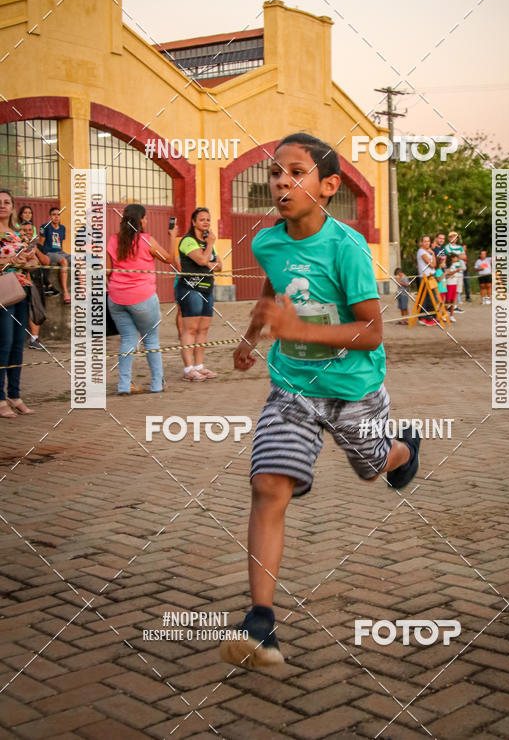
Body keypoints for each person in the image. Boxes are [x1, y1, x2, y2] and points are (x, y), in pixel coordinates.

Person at [219, 133, 421, 669]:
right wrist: (251, 338)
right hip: (293, 388)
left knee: (373, 468)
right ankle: (260, 621)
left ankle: (403, 448)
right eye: (275, 173)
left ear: (329, 186)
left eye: (296, 172)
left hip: (353, 389)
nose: (282, 183)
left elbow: (373, 331)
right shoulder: (267, 243)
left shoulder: (347, 247)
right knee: (268, 485)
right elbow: (273, 288)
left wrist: (301, 328)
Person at [107, 204, 177, 395]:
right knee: (151, 340)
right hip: (143, 298)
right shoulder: (146, 240)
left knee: (127, 340)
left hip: (116, 299)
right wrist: (172, 237)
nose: (147, 221)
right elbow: (169, 259)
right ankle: (157, 384)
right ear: (140, 220)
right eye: (145, 218)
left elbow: (107, 271)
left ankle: (124, 385)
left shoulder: (113, 240)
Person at [0, 189, 37, 416]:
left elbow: (34, 264)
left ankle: (14, 395)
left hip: (22, 290)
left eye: (7, 202)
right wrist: (9, 259)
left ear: (13, 207)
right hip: (3, 292)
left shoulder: (18, 235)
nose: (2, 205)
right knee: (3, 344)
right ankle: (0, 398)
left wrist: (26, 261)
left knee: (17, 345)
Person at [175, 207, 222, 382]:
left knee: (203, 329)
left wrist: (208, 258)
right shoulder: (188, 241)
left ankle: (199, 366)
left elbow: (220, 265)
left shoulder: (208, 242)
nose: (206, 222)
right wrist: (209, 248)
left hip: (207, 289)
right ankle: (188, 369)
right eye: (202, 219)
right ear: (194, 222)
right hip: (190, 289)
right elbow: (202, 260)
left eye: (208, 219)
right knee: (190, 329)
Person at [18, 221, 49, 350]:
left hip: (35, 281)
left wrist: (35, 250)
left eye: (30, 230)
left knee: (35, 309)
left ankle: (34, 339)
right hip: (17, 282)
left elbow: (46, 262)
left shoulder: (37, 246)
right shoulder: (16, 245)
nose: (27, 232)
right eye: (24, 230)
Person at [39, 207, 71, 303]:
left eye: (58, 215)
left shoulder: (62, 228)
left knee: (78, 259)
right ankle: (65, 292)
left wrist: (63, 253)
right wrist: (42, 257)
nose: (56, 217)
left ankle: (82, 289)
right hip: (49, 253)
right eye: (54, 215)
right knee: (63, 261)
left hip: (60, 252)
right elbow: (40, 243)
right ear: (50, 217)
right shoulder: (45, 227)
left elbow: (61, 243)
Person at [416, 235, 436, 326]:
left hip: (431, 277)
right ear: (421, 242)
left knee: (431, 298)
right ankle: (423, 318)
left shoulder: (429, 252)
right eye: (425, 241)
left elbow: (434, 265)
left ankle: (431, 316)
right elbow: (431, 265)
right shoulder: (421, 251)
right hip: (425, 277)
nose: (427, 243)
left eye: (428, 241)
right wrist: (432, 256)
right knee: (425, 298)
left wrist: (433, 254)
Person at [445, 231, 467, 312]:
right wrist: (459, 256)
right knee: (450, 290)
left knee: (457, 290)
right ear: (449, 238)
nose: (453, 238)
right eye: (451, 237)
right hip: (452, 270)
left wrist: (456, 256)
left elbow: (464, 257)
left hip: (460, 271)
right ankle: (448, 306)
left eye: (455, 237)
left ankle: (454, 306)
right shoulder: (447, 246)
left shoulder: (460, 247)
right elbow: (450, 256)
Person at [445, 251, 462, 321]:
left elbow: (451, 274)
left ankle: (451, 316)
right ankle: (444, 315)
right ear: (452, 258)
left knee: (453, 300)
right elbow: (448, 274)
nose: (456, 259)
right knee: (448, 300)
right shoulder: (447, 265)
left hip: (454, 283)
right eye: (455, 257)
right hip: (449, 284)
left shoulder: (453, 265)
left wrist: (455, 272)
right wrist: (456, 271)